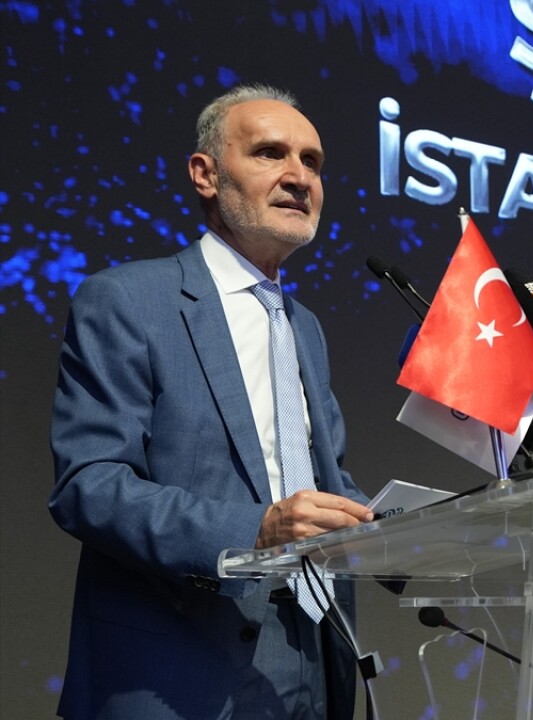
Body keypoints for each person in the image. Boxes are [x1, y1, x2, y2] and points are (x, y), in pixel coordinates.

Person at [49, 84, 373, 719]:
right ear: (206, 173)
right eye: (270, 153)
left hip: (311, 665)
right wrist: (253, 531)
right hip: (179, 671)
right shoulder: (127, 300)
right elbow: (89, 486)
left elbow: (317, 480)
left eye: (312, 161)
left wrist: (399, 529)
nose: (298, 177)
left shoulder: (303, 327)